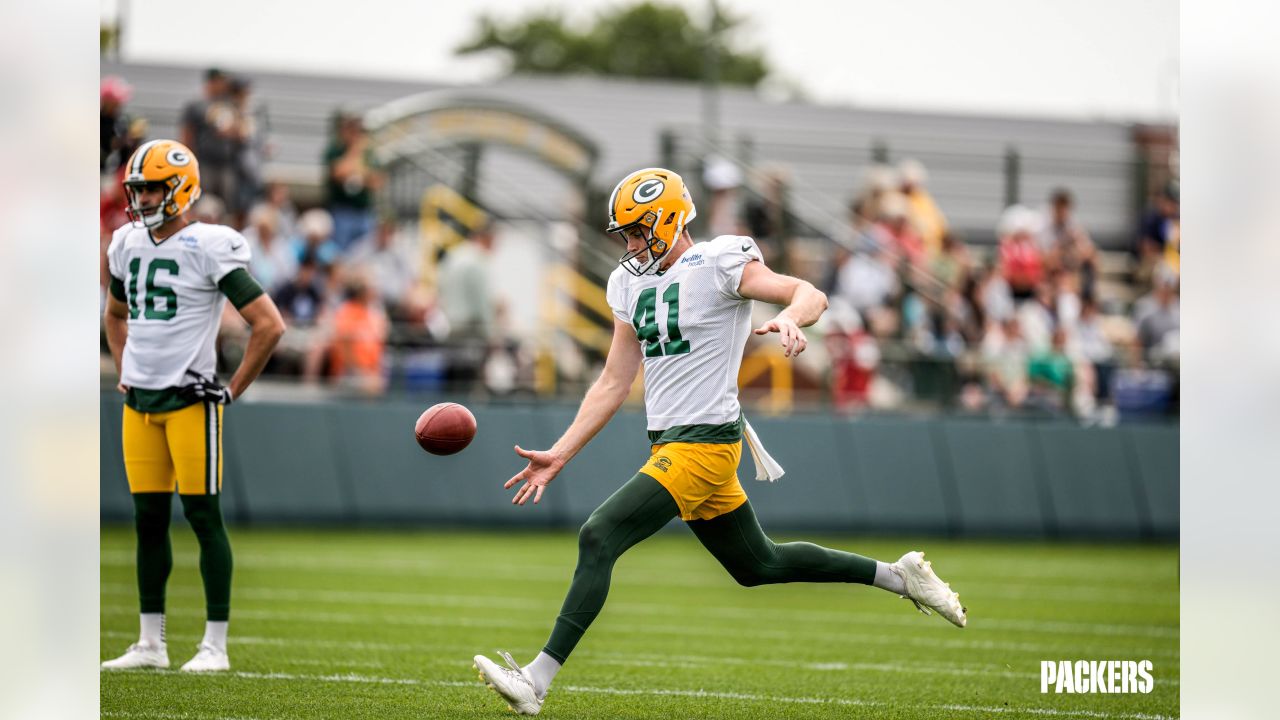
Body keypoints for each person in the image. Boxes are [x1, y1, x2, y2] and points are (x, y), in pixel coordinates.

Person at [472, 168, 967, 716]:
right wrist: (560, 452)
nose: (630, 245)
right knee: (760, 564)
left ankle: (537, 680)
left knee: (599, 534)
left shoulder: (719, 262)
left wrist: (790, 319)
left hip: (704, 446)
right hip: (672, 447)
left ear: (667, 221)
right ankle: (900, 577)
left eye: (637, 232)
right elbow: (614, 380)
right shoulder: (628, 283)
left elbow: (808, 292)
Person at [101, 139, 286, 673]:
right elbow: (114, 315)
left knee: (203, 517)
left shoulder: (209, 245)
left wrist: (231, 390)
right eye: (137, 189)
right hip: (140, 402)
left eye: (151, 187)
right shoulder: (126, 244)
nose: (141, 198)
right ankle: (150, 644)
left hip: (190, 401)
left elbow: (269, 324)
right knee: (147, 521)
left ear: (179, 188)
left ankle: (215, 646)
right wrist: (125, 370)